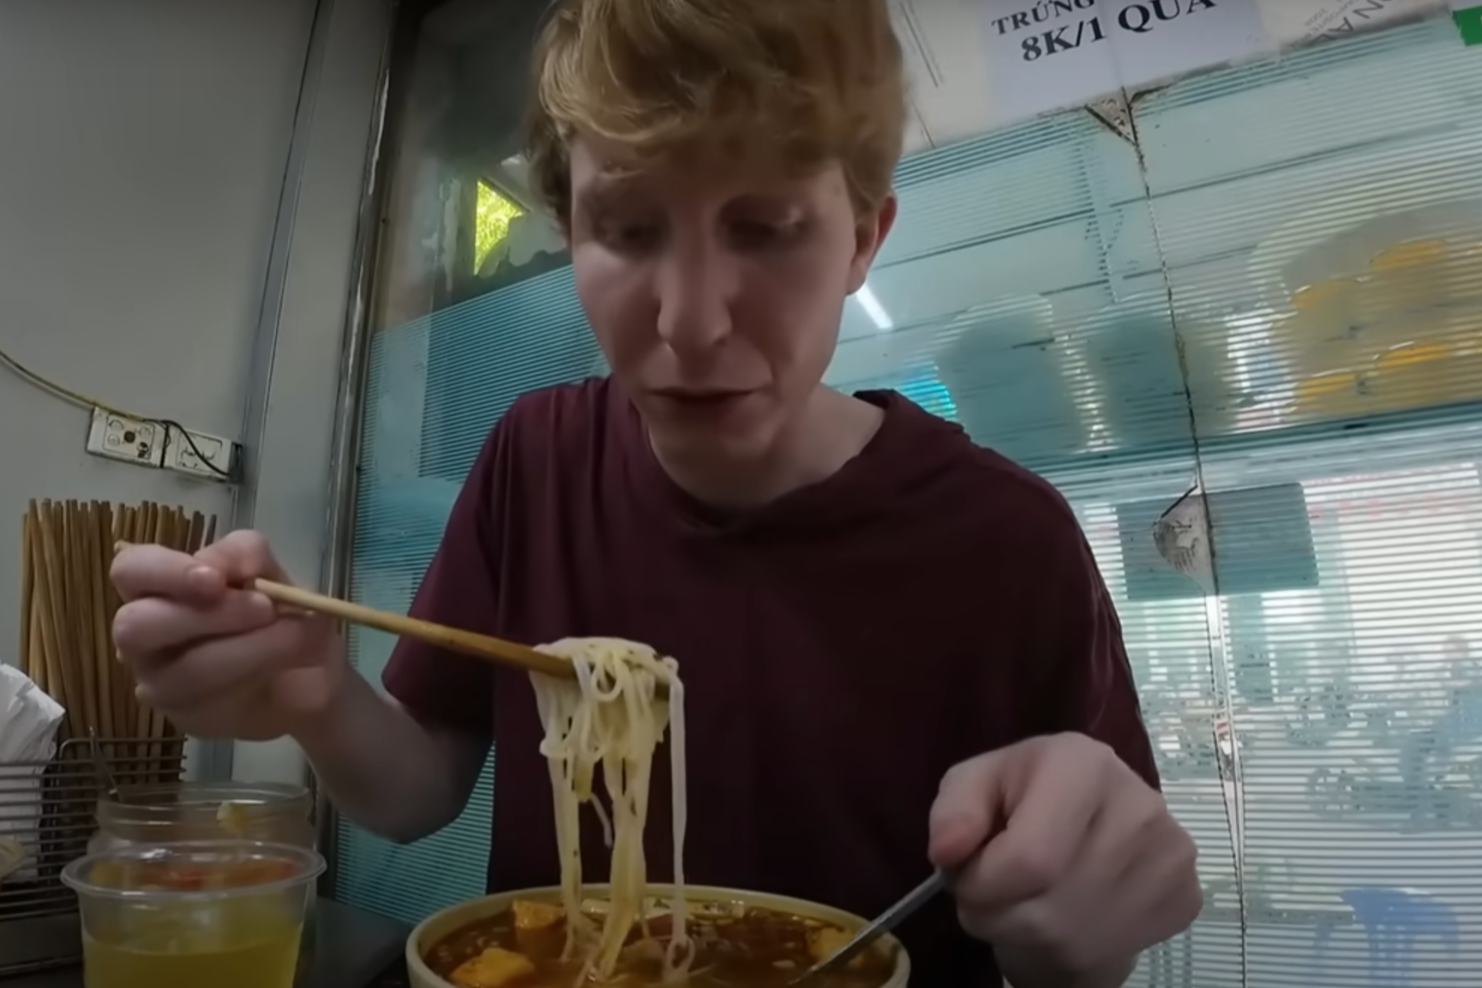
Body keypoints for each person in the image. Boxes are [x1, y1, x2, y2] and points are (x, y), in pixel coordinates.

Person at [110, 0, 1200, 984]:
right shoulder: (535, 455)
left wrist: (1080, 925)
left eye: (766, 228)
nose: (689, 321)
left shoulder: (1007, 540)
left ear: (863, 238)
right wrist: (314, 696)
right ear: (570, 236)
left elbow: (1073, 947)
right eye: (628, 229)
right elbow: (418, 790)